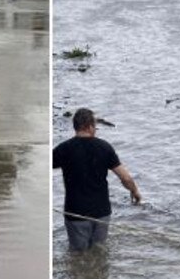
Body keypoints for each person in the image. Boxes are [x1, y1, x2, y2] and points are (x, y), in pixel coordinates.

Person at [52, 108, 142, 252]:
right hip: (101, 212)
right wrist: (135, 191)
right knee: (99, 251)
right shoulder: (104, 148)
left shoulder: (63, 149)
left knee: (78, 254)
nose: (96, 129)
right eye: (95, 125)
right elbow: (125, 177)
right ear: (89, 126)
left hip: (75, 212)